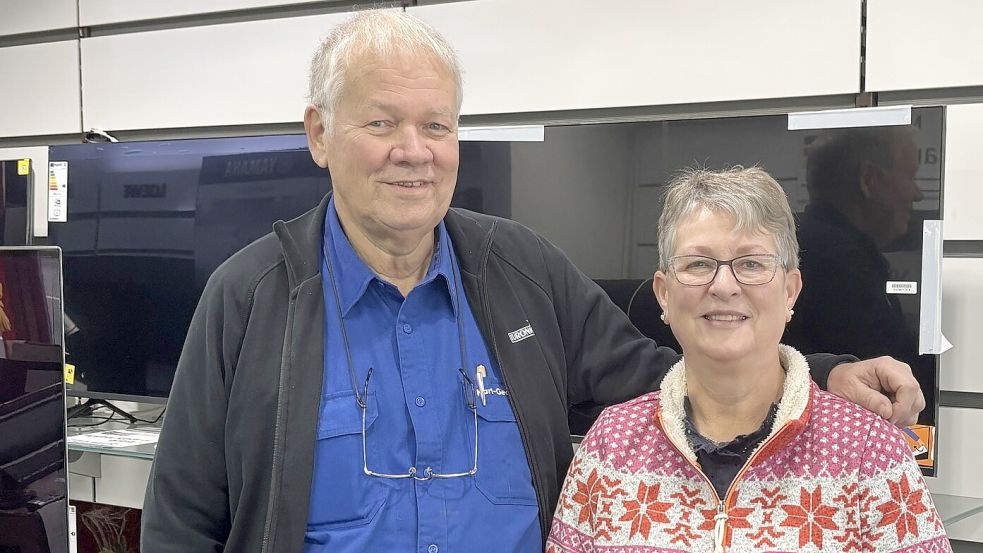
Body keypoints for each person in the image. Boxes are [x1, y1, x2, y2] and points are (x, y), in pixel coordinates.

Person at [141, 10, 925, 553]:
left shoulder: (522, 271)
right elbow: (180, 517)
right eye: (381, 122)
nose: (413, 150)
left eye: (436, 124)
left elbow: (666, 379)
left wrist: (822, 374)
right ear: (320, 132)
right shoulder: (249, 298)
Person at [546, 167, 948, 553]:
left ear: (790, 291)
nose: (724, 286)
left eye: (751, 263)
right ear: (664, 295)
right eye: (698, 263)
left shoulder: (869, 452)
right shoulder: (610, 447)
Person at [790, 127, 936, 423]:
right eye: (909, 175)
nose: (917, 193)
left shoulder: (810, 247)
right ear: (869, 180)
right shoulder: (841, 264)